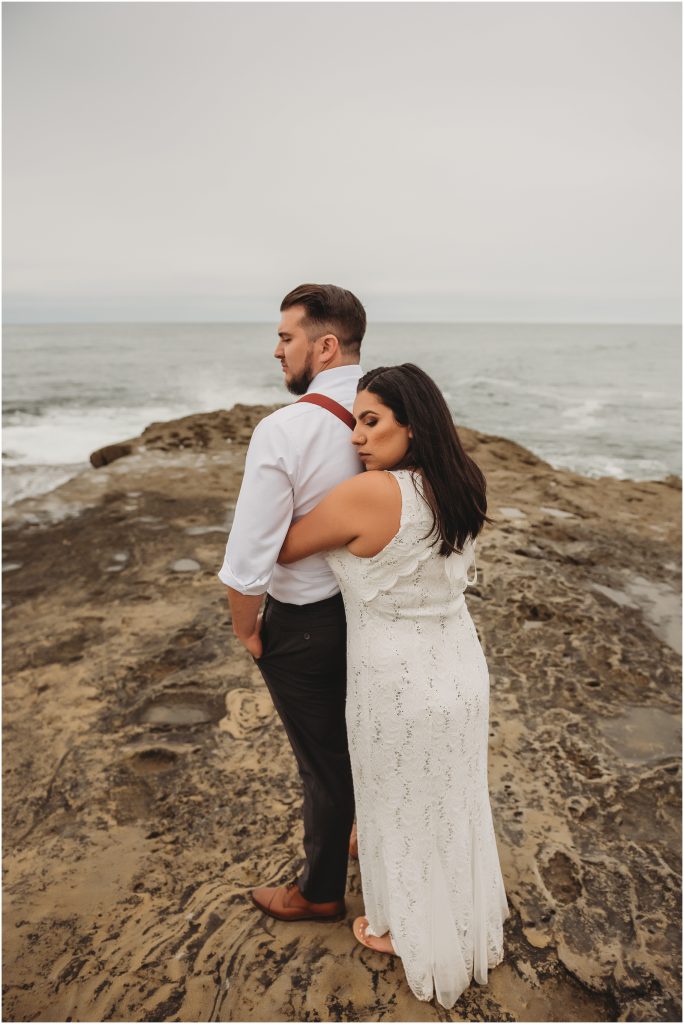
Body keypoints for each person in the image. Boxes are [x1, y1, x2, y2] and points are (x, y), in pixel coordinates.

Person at [278, 363, 509, 1008]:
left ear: (413, 423)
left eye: (371, 421)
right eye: (354, 421)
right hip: (460, 668)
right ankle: (454, 917)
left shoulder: (372, 494)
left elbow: (284, 546)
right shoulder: (463, 485)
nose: (356, 436)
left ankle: (407, 930)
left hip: (395, 681)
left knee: (400, 801)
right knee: (452, 799)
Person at [219, 283, 366, 922]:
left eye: (286, 337)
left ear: (325, 346)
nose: (276, 350)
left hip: (305, 625)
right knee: (362, 740)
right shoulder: (387, 412)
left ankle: (320, 891)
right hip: (370, 616)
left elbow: (251, 553)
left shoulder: (287, 428)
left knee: (323, 763)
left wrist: (248, 632)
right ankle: (366, 836)